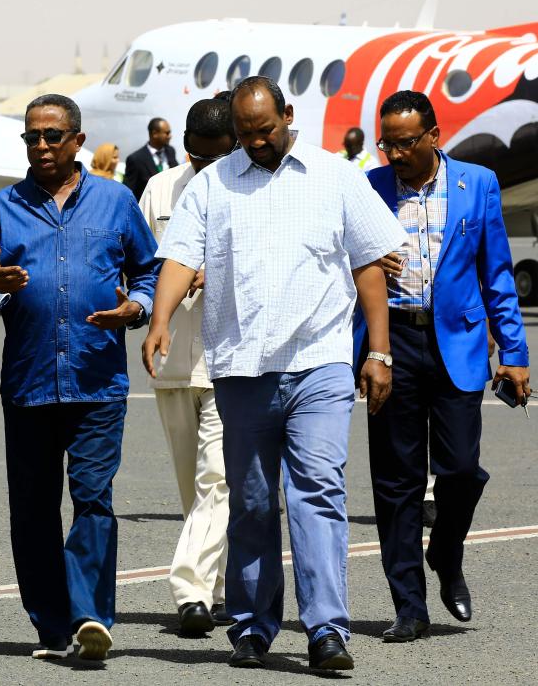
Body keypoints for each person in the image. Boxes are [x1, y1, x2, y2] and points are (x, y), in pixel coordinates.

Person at [145, 76, 405, 672]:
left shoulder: (335, 175)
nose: (256, 143)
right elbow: (182, 254)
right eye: (245, 135)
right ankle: (253, 627)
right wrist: (161, 320)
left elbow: (369, 264)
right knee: (254, 501)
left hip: (320, 363)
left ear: (288, 115)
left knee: (318, 492)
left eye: (265, 131)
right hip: (242, 368)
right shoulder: (213, 184)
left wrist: (380, 352)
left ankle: (326, 630)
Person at [0, 94, 160, 662]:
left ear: (77, 140)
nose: (42, 146)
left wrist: (139, 307)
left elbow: (148, 270)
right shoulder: (5, 208)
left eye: (53, 136)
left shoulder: (116, 202)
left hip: (97, 381)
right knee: (32, 509)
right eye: (32, 138)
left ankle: (91, 618)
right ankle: (52, 625)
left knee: (94, 498)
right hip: (29, 384)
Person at [356, 90, 529, 643]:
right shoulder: (370, 190)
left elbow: (498, 274)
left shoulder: (476, 183)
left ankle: (446, 552)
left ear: (434, 134)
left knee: (459, 469)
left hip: (458, 345)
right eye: (388, 143)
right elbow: (341, 267)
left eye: (407, 142)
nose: (395, 153)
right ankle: (409, 605)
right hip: (392, 345)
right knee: (396, 482)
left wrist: (516, 355)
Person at [139, 97, 236, 637]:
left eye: (213, 157)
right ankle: (216, 589)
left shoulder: (250, 185)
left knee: (217, 479)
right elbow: (141, 260)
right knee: (191, 488)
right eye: (193, 157)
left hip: (230, 358)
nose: (202, 167)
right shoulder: (160, 188)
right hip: (172, 359)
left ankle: (190, 592)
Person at [123, 117, 177, 200]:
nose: (170, 136)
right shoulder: (136, 159)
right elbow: (128, 192)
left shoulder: (170, 151)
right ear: (155, 134)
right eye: (167, 133)